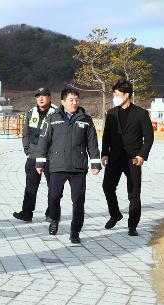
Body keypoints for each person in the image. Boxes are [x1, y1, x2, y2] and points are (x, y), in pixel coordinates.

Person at [35, 87, 101, 243]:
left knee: (78, 200)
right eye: (71, 100)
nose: (74, 102)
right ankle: (54, 220)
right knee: (54, 197)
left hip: (78, 167)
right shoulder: (53, 118)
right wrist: (40, 162)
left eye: (77, 99)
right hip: (57, 165)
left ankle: (75, 231)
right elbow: (44, 140)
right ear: (63, 102)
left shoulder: (86, 119)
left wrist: (95, 163)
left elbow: (92, 144)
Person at [102, 78, 154, 236]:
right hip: (115, 157)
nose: (114, 96)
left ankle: (132, 225)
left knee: (134, 193)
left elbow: (149, 137)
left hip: (133, 159)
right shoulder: (111, 113)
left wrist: (142, 155)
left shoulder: (141, 114)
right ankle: (115, 214)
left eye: (116, 94)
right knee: (107, 187)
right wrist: (104, 153)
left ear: (126, 95)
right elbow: (106, 136)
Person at [13, 87, 57, 222]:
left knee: (53, 186)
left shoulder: (57, 112)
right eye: (38, 96)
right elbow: (25, 133)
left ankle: (51, 212)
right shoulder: (31, 112)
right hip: (33, 155)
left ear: (50, 98)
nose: (41, 98)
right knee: (31, 185)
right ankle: (27, 213)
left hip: (51, 156)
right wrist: (27, 150)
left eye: (44, 96)